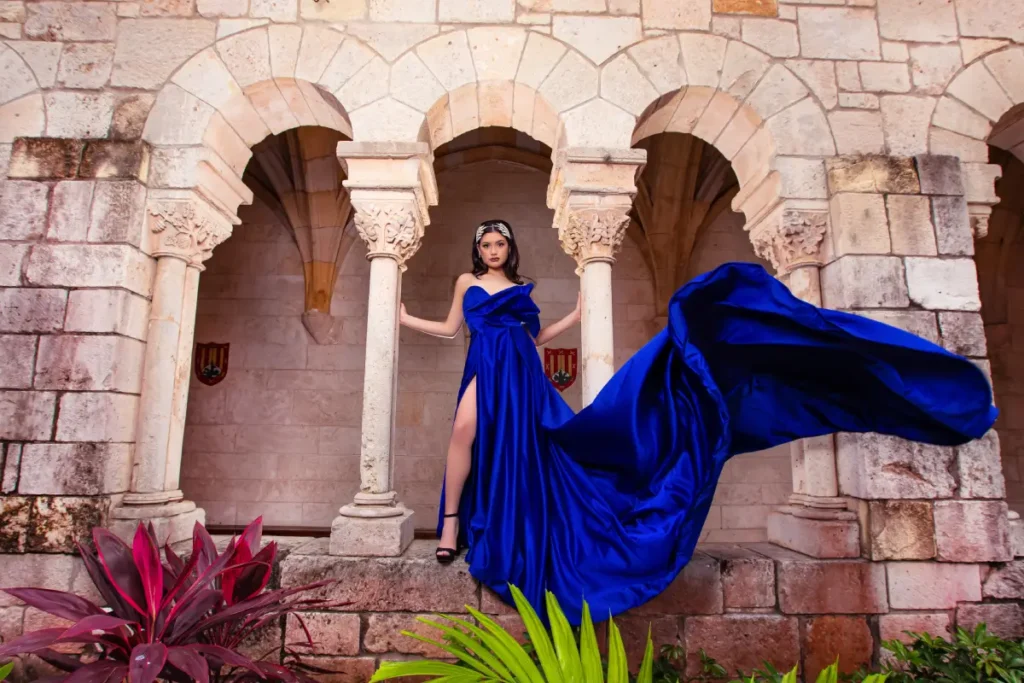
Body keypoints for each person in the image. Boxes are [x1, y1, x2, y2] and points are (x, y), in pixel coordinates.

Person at [398, 218, 998, 625]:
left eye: (499, 244)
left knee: (528, 448)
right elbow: (452, 329)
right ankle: (450, 526)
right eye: (486, 244)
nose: (492, 251)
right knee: (464, 432)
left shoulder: (524, 289)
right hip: (484, 364)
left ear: (509, 250)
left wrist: (576, 318)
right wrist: (404, 319)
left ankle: (478, 528)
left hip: (521, 371)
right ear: (478, 250)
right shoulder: (467, 283)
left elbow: (534, 338)